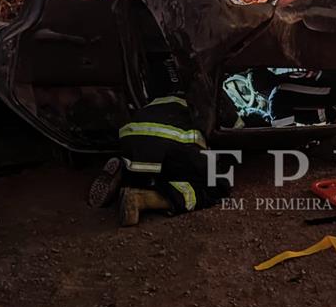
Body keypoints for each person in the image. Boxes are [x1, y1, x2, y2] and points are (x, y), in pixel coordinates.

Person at [88, 95, 232, 226]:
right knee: (217, 187)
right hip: (172, 144)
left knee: (153, 168)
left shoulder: (160, 99)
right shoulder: (214, 96)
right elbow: (236, 126)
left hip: (130, 139)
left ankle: (125, 173)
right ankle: (142, 199)